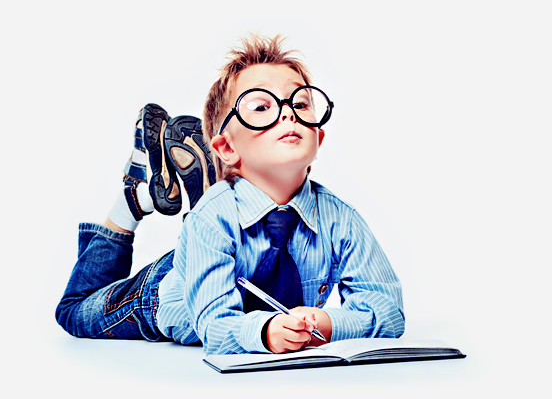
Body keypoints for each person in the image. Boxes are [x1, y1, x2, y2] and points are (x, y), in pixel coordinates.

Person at [54, 34, 405, 355]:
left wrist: (327, 323)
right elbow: (215, 326)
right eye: (261, 107)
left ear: (318, 138)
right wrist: (265, 332)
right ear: (226, 147)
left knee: (216, 220)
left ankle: (218, 195)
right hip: (162, 296)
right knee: (74, 311)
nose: (288, 112)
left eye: (300, 104)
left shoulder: (341, 219)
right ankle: (133, 201)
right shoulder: (212, 218)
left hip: (220, 249)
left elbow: (389, 311)